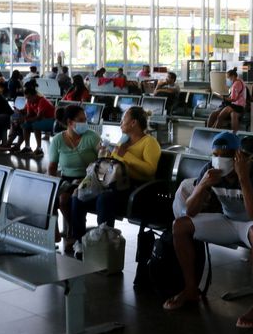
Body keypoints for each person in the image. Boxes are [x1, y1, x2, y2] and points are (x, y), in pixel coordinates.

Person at [167, 131, 253, 329]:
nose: (219, 160)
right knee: (180, 226)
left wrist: (243, 178)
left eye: (225, 156)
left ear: (237, 156)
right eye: (215, 154)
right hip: (228, 220)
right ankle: (191, 289)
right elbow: (190, 211)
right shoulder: (209, 169)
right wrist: (203, 186)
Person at [69, 106, 161, 256]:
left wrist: (126, 156)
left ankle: (103, 244)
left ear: (133, 123)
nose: (120, 124)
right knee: (78, 195)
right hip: (113, 184)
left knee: (105, 198)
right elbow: (113, 165)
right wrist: (104, 155)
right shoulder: (123, 141)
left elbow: (150, 170)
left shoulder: (150, 142)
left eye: (123, 120)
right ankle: (79, 242)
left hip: (136, 188)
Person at [48, 105, 100, 252]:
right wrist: (53, 186)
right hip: (66, 178)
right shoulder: (58, 140)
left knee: (64, 199)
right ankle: (64, 231)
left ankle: (74, 231)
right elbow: (52, 167)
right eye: (81, 120)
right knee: (53, 198)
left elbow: (103, 159)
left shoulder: (91, 137)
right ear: (70, 122)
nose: (85, 123)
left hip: (88, 179)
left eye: (85, 119)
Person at [10, 84, 56, 156]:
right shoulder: (29, 102)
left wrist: (25, 119)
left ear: (34, 95)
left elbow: (38, 117)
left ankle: (39, 148)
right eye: (26, 98)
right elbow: (29, 114)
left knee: (35, 124)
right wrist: (20, 114)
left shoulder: (42, 101)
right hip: (42, 119)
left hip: (51, 120)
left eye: (29, 98)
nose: (27, 100)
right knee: (24, 125)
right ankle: (27, 147)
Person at [207, 68, 246, 132]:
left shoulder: (236, 85)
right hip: (237, 105)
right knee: (219, 116)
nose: (227, 80)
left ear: (233, 76)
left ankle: (213, 131)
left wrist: (222, 97)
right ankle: (212, 130)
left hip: (237, 105)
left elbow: (233, 99)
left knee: (220, 116)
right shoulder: (239, 81)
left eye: (228, 78)